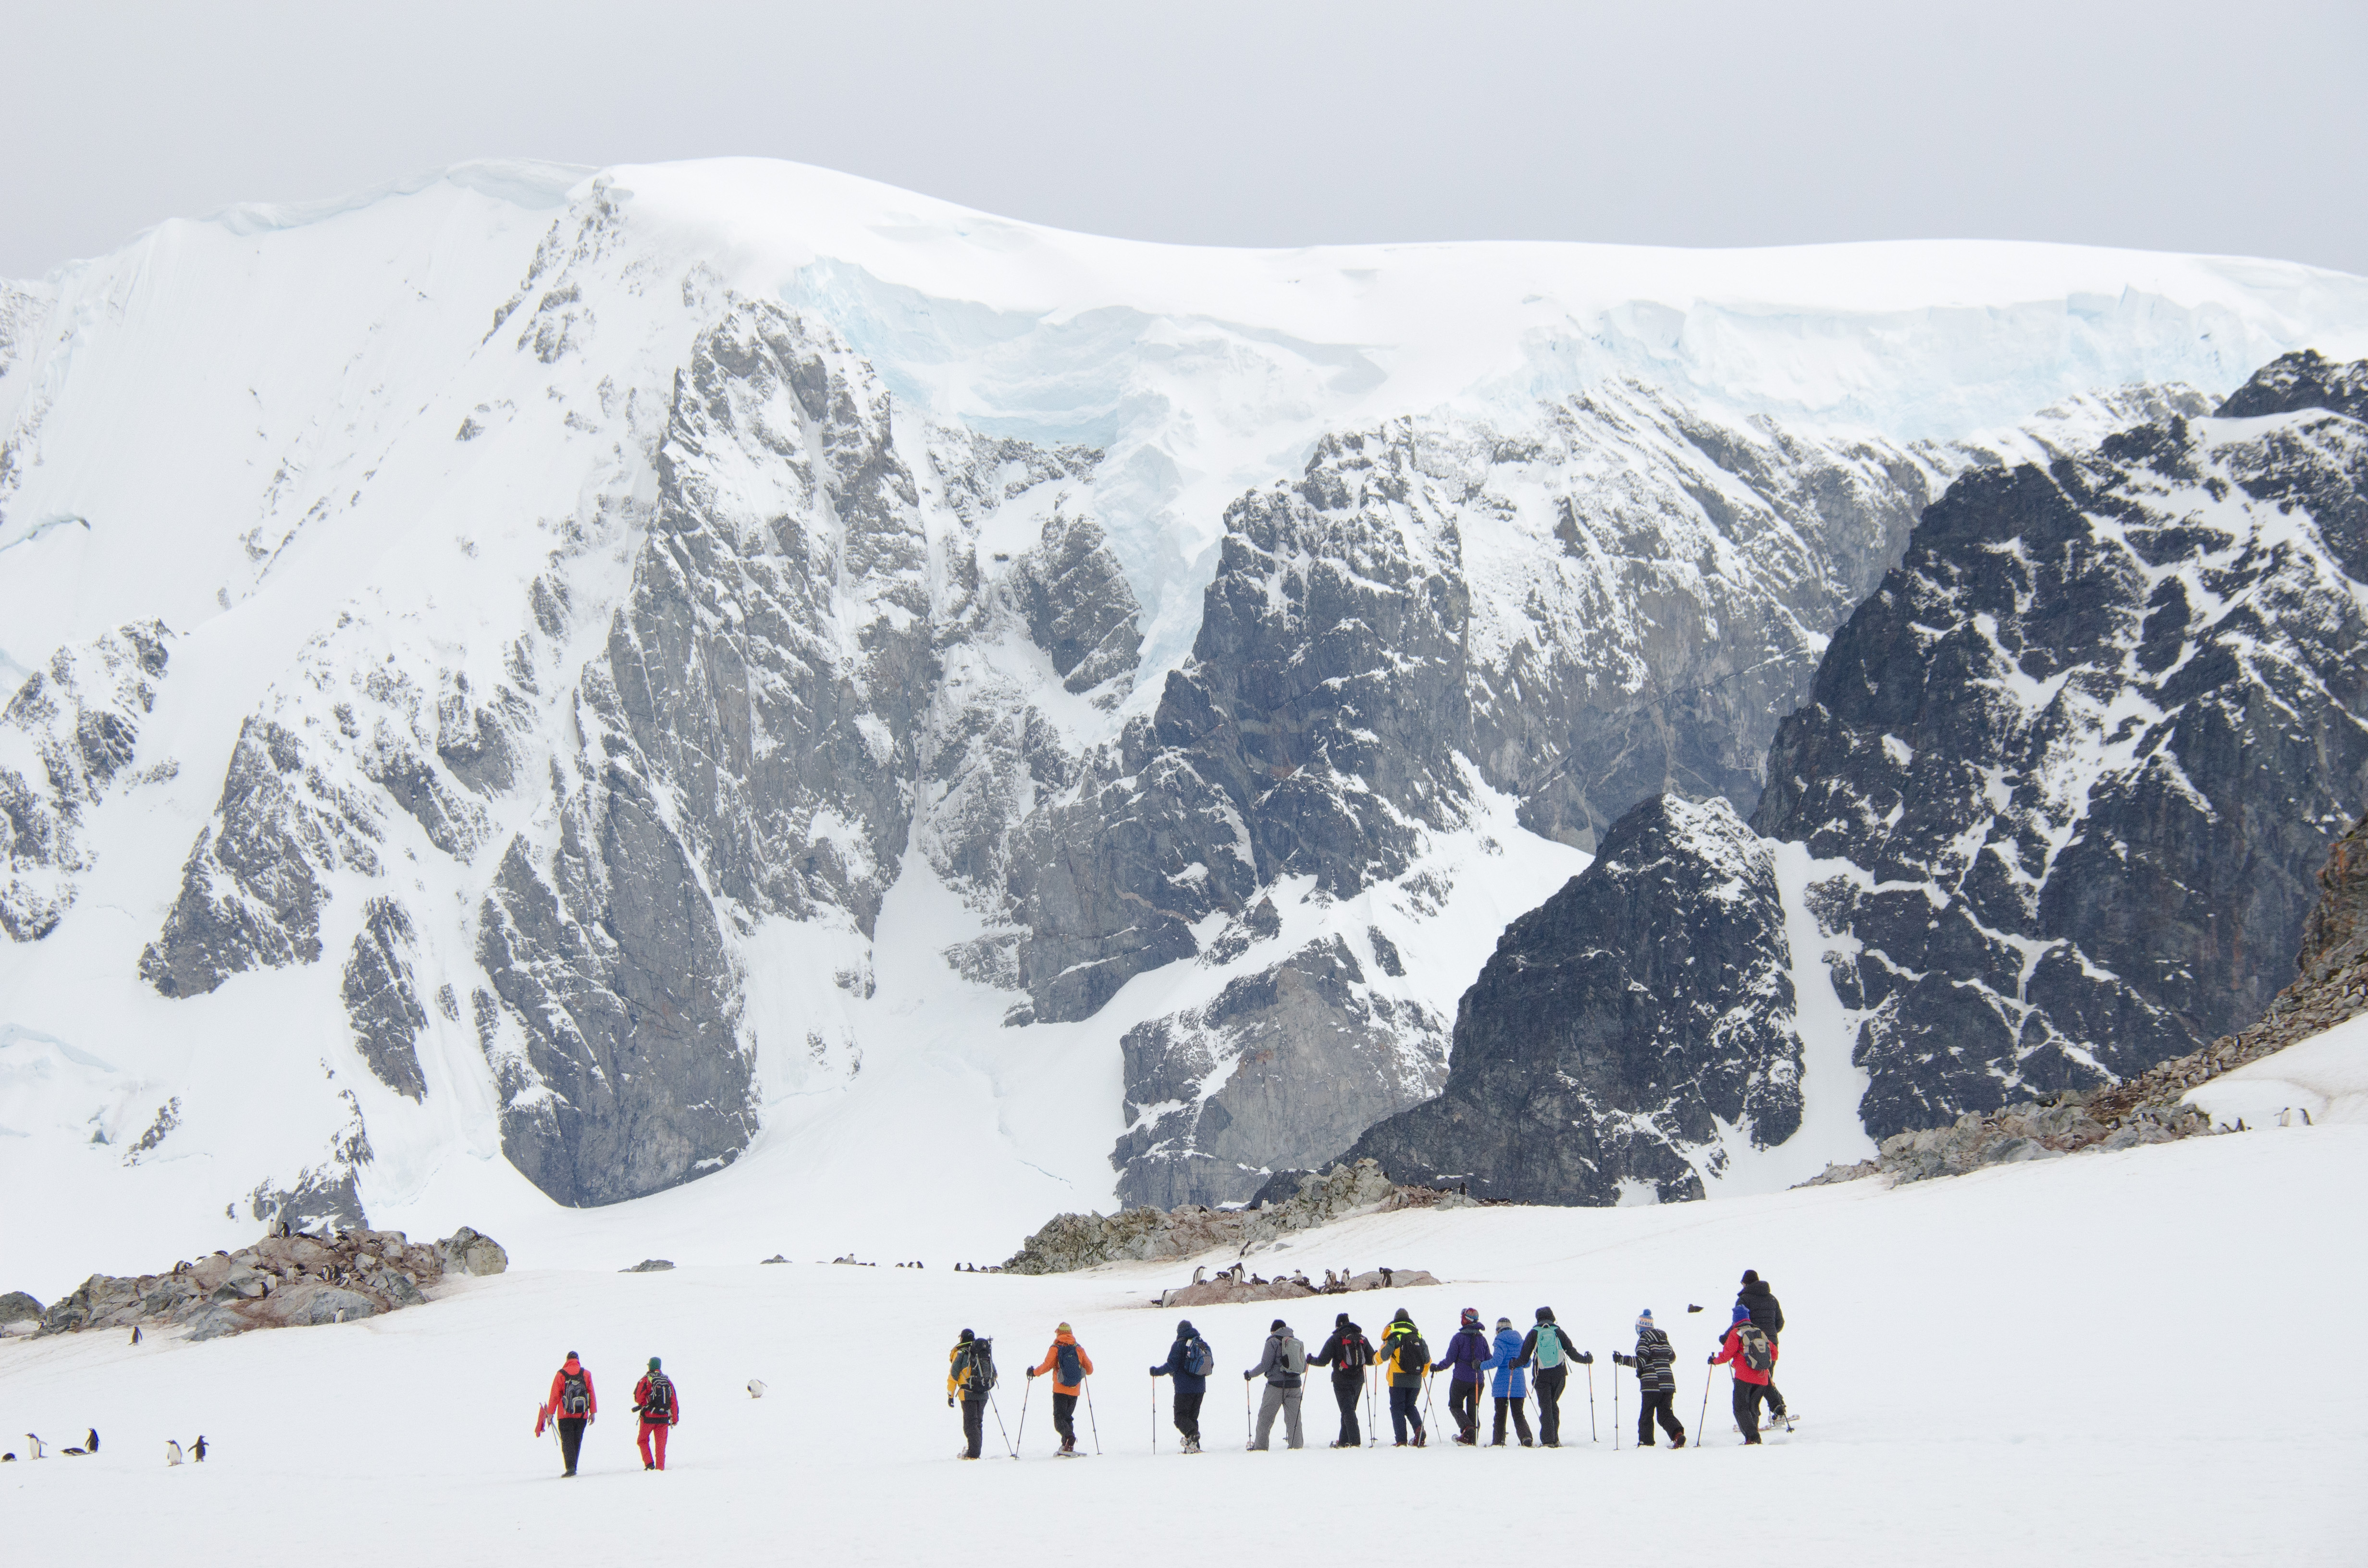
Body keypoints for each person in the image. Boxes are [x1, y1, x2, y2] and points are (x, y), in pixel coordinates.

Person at [1515, 1307, 1589, 1447]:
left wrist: (1514, 1364)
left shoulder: (1534, 1333)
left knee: (1546, 1407)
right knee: (1552, 1405)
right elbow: (1572, 1353)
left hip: (1541, 1376)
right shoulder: (1558, 1332)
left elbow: (1524, 1358)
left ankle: (1549, 1440)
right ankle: (1554, 1438)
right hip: (1560, 1376)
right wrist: (1586, 1360)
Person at [1613, 1310, 1685, 1448]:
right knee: (1665, 1414)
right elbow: (1672, 1357)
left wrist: (1622, 1360)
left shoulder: (1644, 1340)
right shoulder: (1664, 1339)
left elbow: (1640, 1362)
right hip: (1668, 1384)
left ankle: (1646, 1443)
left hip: (1651, 1384)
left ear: (1640, 1328)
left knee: (1647, 1414)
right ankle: (1678, 1435)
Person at [1709, 1303, 1776, 1444]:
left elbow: (1727, 1355)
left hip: (1744, 1377)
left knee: (1740, 1407)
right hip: (1762, 1377)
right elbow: (1774, 1354)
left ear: (1736, 1320)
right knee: (1753, 1407)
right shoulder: (1760, 1332)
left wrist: (1715, 1361)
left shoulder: (1736, 1333)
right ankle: (1754, 1437)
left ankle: (1752, 1438)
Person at [1307, 1311, 1373, 1447]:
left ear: (1338, 1326)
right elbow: (1372, 1359)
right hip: (1359, 1381)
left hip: (1341, 1381)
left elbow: (1322, 1361)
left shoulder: (1335, 1339)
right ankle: (1344, 1442)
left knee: (1347, 1411)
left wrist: (1310, 1360)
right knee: (1348, 1410)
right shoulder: (1362, 1338)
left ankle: (1355, 1442)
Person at [1027, 1323, 1095, 1456]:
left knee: (1059, 1419)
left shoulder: (1056, 1348)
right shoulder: (1078, 1349)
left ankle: (1069, 1438)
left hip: (1060, 1389)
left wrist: (1034, 1372)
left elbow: (1047, 1366)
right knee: (1067, 1418)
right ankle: (1067, 1446)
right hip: (1075, 1390)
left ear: (1059, 1334)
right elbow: (1090, 1370)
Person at [1245, 1318, 1307, 1450]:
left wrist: (1250, 1374)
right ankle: (1296, 1447)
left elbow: (1265, 1365)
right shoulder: (1296, 1343)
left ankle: (1260, 1448)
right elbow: (1303, 1368)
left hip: (1276, 1387)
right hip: (1295, 1386)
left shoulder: (1272, 1341)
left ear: (1273, 1331)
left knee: (1265, 1418)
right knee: (1294, 1419)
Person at [1148, 1319, 1209, 1453]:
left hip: (1184, 1389)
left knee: (1180, 1418)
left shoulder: (1179, 1345)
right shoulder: (1201, 1344)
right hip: (1200, 1389)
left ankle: (1193, 1435)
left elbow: (1172, 1365)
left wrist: (1156, 1372)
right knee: (1192, 1418)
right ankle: (1194, 1446)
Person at [1432, 1308, 1492, 1445]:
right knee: (1473, 1410)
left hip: (1460, 1379)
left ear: (1466, 1320)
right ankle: (1471, 1438)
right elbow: (1489, 1359)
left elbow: (1449, 1360)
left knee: (1455, 1406)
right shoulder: (1482, 1339)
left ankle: (1467, 1429)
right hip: (1478, 1380)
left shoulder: (1458, 1338)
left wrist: (1438, 1368)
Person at [1737, 1270, 1788, 1422]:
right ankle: (1778, 1407)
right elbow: (1780, 1323)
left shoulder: (1744, 1300)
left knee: (1756, 1381)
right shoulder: (1772, 1299)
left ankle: (1752, 1418)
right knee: (1766, 1377)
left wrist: (1726, 1339)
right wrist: (1769, 1336)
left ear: (1745, 1283)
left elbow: (1739, 1324)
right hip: (1772, 1344)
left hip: (1753, 1346)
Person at [536, 1350, 597, 1477]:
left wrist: (550, 1413)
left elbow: (555, 1395)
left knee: (567, 1441)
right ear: (578, 1360)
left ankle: (570, 1468)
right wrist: (593, 1412)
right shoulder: (586, 1374)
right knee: (577, 1441)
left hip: (565, 1416)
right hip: (582, 1415)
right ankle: (573, 1466)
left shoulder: (561, 1374)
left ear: (567, 1360)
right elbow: (591, 1393)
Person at [1377, 1310, 1429, 1446]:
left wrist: (1375, 1359)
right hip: (1416, 1379)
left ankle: (1401, 1440)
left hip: (1397, 1379)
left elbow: (1384, 1356)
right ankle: (1419, 1428)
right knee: (1410, 1406)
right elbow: (1427, 1359)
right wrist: (1422, 1374)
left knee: (1397, 1408)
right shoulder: (1417, 1336)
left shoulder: (1395, 1336)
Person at [1482, 1316, 1533, 1447]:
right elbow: (1528, 1363)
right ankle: (1526, 1437)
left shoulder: (1499, 1340)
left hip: (1502, 1384)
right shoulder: (1521, 1341)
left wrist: (1480, 1366)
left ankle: (1498, 1441)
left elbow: (1497, 1361)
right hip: (1519, 1382)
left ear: (1498, 1330)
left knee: (1500, 1415)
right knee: (1518, 1414)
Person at [948, 1329, 997, 1459]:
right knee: (978, 1423)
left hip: (967, 1393)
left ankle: (973, 1454)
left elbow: (953, 1376)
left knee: (970, 1424)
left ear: (962, 1339)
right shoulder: (981, 1353)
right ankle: (975, 1451)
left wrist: (950, 1395)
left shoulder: (961, 1354)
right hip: (983, 1394)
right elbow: (994, 1373)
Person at [632, 1356, 680, 1470]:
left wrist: (646, 1403)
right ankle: (660, 1468)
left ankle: (649, 1465)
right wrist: (674, 1419)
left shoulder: (645, 1380)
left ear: (650, 1366)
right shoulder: (667, 1381)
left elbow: (639, 1398)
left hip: (649, 1417)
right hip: (664, 1419)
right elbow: (673, 1400)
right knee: (661, 1446)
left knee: (642, 1440)